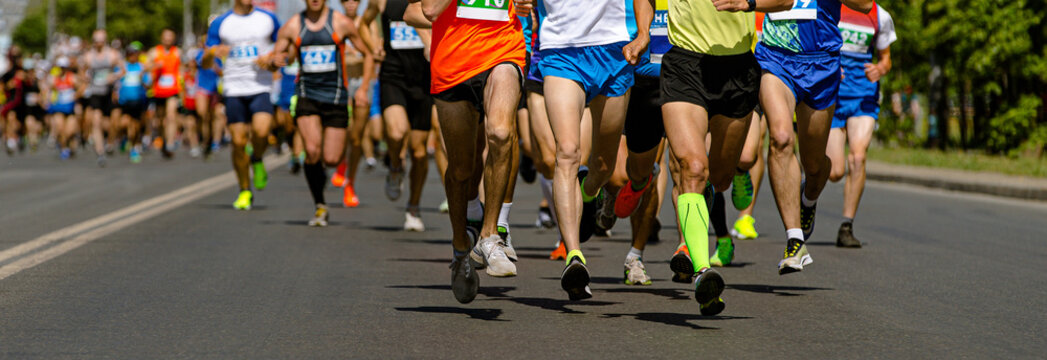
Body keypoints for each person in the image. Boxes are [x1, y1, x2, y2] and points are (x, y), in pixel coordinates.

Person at [535, 0, 650, 300]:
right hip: (561, 49)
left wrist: (643, 33)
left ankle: (590, 195)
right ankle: (574, 254)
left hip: (614, 49)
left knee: (603, 166)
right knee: (567, 152)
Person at [420, 0, 529, 303]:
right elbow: (428, 10)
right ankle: (460, 248)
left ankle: (490, 235)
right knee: (461, 169)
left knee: (501, 133)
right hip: (453, 63)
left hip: (503, 51)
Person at [756, 0, 872, 274]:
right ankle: (794, 240)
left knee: (815, 165)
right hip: (775, 56)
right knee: (781, 138)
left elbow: (866, 4)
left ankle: (808, 199)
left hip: (821, 63)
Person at [270, 0, 374, 225]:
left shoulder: (341, 23)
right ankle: (320, 205)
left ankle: (321, 173)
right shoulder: (292, 26)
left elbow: (368, 54)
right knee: (311, 149)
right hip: (306, 95)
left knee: (332, 158)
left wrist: (364, 88)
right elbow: (277, 57)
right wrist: (274, 61)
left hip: (335, 97)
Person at [826, 1, 895, 248]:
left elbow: (886, 59)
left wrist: (880, 69)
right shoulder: (830, 5)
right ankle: (808, 191)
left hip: (863, 94)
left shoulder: (879, 15)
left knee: (858, 157)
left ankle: (846, 225)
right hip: (831, 93)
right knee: (834, 172)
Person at [360, 0, 432, 230]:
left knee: (419, 152)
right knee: (396, 132)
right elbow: (363, 24)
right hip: (393, 75)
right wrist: (373, 47)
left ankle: (413, 207)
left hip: (424, 79)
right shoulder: (381, 1)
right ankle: (394, 166)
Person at [203, 0, 282, 210]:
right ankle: (244, 190)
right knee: (238, 142)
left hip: (260, 86)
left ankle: (257, 158)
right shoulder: (221, 23)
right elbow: (204, 62)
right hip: (233, 88)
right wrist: (212, 53)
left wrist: (272, 59)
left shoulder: (268, 19)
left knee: (261, 132)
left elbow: (283, 50)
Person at [147, 28, 183, 158]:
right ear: (162, 38)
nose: (168, 39)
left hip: (172, 90)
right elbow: (145, 67)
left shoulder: (177, 52)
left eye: (170, 36)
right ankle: (163, 140)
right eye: (166, 36)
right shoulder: (154, 52)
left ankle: (170, 143)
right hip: (158, 91)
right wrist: (155, 66)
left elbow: (182, 69)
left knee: (171, 115)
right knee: (161, 120)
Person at [115, 44, 149, 163]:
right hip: (124, 101)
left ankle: (134, 147)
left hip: (137, 101)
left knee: (135, 126)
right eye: (130, 54)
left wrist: (142, 77)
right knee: (123, 123)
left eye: (134, 54)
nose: (132, 56)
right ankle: (125, 139)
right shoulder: (123, 67)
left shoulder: (141, 67)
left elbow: (147, 85)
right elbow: (116, 82)